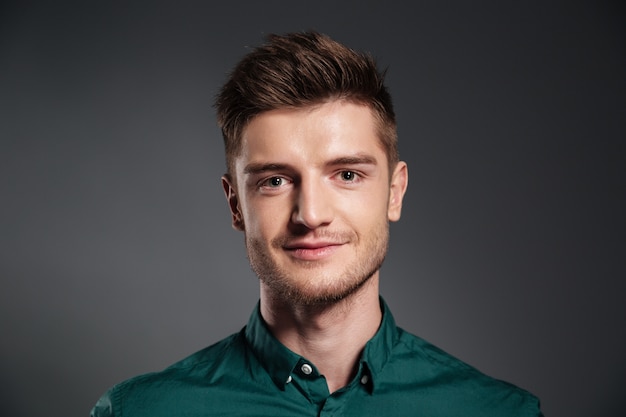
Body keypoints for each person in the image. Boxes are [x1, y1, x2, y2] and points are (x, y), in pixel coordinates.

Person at [91, 31, 542, 416]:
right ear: (235, 205)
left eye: (347, 175)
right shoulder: (141, 411)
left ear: (395, 191)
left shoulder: (498, 412)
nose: (310, 214)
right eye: (274, 180)